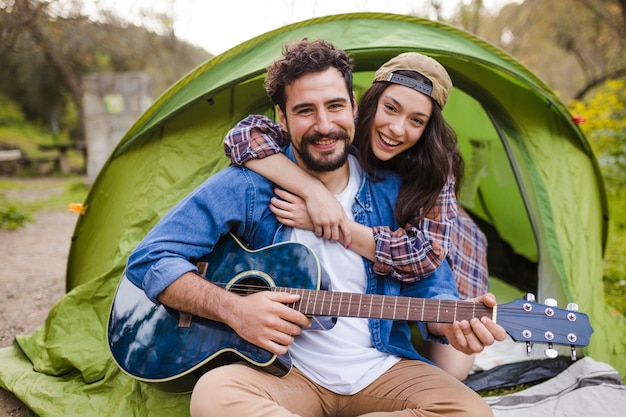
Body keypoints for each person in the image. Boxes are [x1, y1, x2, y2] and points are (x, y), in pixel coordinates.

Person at [125, 38, 504, 417]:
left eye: (335, 106)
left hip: (381, 371)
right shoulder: (250, 186)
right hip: (286, 374)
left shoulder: (397, 191)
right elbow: (151, 257)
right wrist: (235, 310)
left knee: (471, 412)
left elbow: (430, 282)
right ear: (282, 118)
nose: (324, 125)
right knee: (213, 396)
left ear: (354, 108)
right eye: (305, 110)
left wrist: (449, 322)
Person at [223, 52, 488, 380]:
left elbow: (423, 256)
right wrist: (315, 193)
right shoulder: (340, 123)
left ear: (428, 126)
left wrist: (334, 225)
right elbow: (241, 136)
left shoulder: (436, 163)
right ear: (370, 100)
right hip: (375, 225)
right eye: (390, 108)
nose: (396, 128)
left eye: (416, 120)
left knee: (452, 371)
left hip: (444, 235)